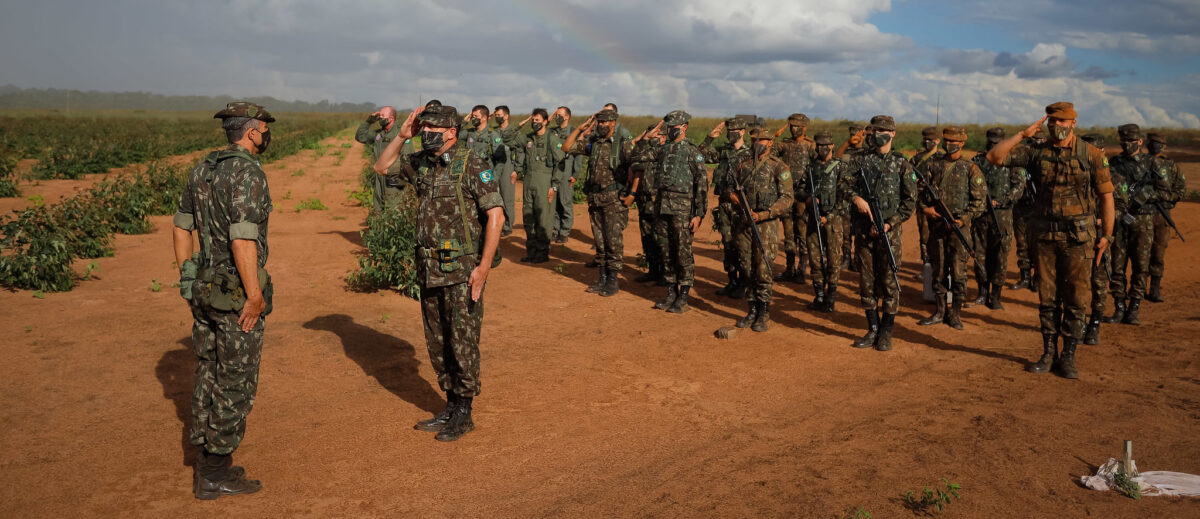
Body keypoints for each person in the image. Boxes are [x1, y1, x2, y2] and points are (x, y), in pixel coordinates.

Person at [374, 104, 504, 441]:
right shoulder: (421, 164)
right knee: (438, 341)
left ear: (451, 132)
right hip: (430, 268)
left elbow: (496, 216)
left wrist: (484, 267)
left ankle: (464, 411)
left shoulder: (472, 164)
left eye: (433, 128)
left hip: (461, 271)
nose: (427, 133)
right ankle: (450, 404)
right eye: (424, 127)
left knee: (462, 343)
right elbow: (381, 166)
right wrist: (403, 136)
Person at [173, 101, 276, 499]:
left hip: (202, 289)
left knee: (208, 370)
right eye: (264, 129)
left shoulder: (203, 168)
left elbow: (182, 225)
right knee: (235, 380)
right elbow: (242, 238)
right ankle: (215, 472)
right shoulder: (248, 172)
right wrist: (253, 295)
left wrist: (187, 277)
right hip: (233, 294)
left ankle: (206, 459)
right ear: (251, 132)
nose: (267, 135)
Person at [987, 101, 1115, 379]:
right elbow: (995, 157)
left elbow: (1106, 196)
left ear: (1073, 123)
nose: (1057, 126)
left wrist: (1106, 235)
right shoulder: (1036, 153)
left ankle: (1068, 355)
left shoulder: (1091, 154)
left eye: (1062, 122)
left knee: (1076, 298)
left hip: (1079, 238)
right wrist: (1022, 134)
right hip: (1044, 236)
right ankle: (1048, 353)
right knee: (1047, 297)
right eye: (1052, 122)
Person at [847, 115, 918, 351]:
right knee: (866, 283)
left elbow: (910, 202)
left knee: (889, 281)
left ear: (893, 133)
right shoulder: (859, 160)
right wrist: (856, 198)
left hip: (889, 233)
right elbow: (843, 184)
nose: (878, 134)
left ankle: (886, 331)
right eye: (875, 130)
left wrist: (890, 223)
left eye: (883, 130)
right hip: (864, 231)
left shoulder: (902, 164)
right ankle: (872, 328)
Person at [916, 126, 986, 330]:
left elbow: (979, 201)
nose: (950, 144)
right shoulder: (933, 165)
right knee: (938, 271)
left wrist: (964, 219)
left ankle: (955, 313)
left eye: (954, 141)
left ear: (962, 143)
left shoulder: (970, 168)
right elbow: (919, 192)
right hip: (937, 225)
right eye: (947, 140)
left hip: (958, 228)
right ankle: (939, 311)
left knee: (958, 272)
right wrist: (925, 208)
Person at [728, 127, 793, 331]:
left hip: (765, 225)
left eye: (762, 140)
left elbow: (787, 198)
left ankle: (763, 313)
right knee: (746, 268)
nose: (757, 143)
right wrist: (735, 199)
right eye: (754, 139)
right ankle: (752, 309)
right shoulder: (743, 165)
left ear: (770, 142)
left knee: (763, 269)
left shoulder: (778, 167)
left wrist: (764, 214)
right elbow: (729, 190)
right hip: (744, 223)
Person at [1105, 124, 1170, 325]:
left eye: (1130, 142)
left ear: (1140, 142)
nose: (1126, 145)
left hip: (1143, 221)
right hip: (1119, 220)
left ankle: (1134, 309)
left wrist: (1144, 196)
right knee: (1117, 266)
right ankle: (1119, 307)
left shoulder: (1153, 164)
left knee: (1141, 267)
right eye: (1123, 142)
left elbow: (1167, 192)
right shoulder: (1114, 162)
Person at [563, 109, 633, 296]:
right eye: (598, 122)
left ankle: (612, 281)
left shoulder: (621, 144)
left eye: (604, 122)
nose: (601, 125)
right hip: (595, 199)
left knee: (613, 241)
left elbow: (636, 169)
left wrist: (631, 194)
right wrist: (579, 129)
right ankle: (602, 278)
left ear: (613, 123)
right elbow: (566, 147)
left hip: (613, 199)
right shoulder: (593, 144)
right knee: (600, 241)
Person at [652, 110, 708, 313]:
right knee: (666, 251)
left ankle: (683, 293)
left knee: (682, 252)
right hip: (662, 207)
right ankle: (670, 291)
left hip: (683, 209)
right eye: (668, 127)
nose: (670, 130)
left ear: (684, 127)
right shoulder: (664, 149)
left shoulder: (692, 152)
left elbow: (702, 183)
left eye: (674, 127)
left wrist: (699, 214)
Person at [970, 127, 1026, 310]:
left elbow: (1018, 188)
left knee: (1000, 256)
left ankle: (996, 296)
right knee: (979, 254)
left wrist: (999, 202)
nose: (993, 145)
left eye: (997, 142)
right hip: (980, 216)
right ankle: (982, 292)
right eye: (991, 141)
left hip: (1002, 216)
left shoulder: (1012, 163)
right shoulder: (977, 161)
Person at [699, 116, 752, 298]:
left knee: (742, 245)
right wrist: (710, 137)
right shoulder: (724, 152)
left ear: (743, 132)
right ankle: (732, 280)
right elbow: (700, 154)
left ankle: (745, 282)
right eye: (729, 131)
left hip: (741, 207)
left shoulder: (750, 154)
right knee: (728, 243)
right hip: (724, 205)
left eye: (735, 131)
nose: (731, 134)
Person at [801, 131, 852, 313]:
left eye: (825, 146)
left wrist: (828, 217)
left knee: (833, 259)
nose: (821, 149)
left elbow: (845, 197)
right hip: (813, 219)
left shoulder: (840, 167)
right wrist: (808, 199)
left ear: (832, 146)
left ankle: (830, 296)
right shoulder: (811, 168)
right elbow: (800, 190)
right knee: (815, 258)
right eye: (818, 146)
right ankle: (819, 295)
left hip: (833, 221)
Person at [515, 108, 563, 263]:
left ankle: (542, 253)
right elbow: (507, 137)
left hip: (545, 181)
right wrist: (520, 124)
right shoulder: (528, 138)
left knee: (543, 218)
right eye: (533, 120)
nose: (534, 123)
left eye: (537, 120)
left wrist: (554, 186)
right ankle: (531, 252)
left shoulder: (552, 138)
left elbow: (560, 162)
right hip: (528, 181)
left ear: (545, 121)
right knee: (528, 217)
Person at [773, 113, 815, 283]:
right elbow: (768, 150)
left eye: (797, 126)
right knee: (789, 235)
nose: (793, 129)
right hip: (787, 195)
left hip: (804, 197)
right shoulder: (784, 145)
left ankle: (802, 270)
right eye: (791, 125)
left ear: (805, 127)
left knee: (803, 233)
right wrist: (776, 135)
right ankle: (789, 269)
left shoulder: (811, 146)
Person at [1146, 132, 1187, 303]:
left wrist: (1166, 198)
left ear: (1164, 146)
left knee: (1158, 252)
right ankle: (1136, 288)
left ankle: (1154, 289)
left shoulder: (1171, 166)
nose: (1155, 145)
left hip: (1162, 215)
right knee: (1138, 254)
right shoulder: (1141, 162)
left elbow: (1181, 190)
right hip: (1142, 214)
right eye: (1152, 142)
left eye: (1158, 143)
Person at [630, 125, 668, 285]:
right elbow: (633, 159)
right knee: (647, 238)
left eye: (657, 136)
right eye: (651, 136)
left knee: (662, 240)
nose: (654, 139)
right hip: (645, 202)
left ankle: (666, 275)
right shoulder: (646, 153)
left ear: (664, 137)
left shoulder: (667, 153)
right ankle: (653, 271)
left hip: (661, 205)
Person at [1011, 126, 1048, 291]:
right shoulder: (1021, 158)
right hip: (1021, 207)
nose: (1033, 144)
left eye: (1037, 141)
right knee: (1022, 243)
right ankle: (1024, 276)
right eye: (1031, 141)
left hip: (1041, 210)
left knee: (1040, 245)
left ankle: (1039, 278)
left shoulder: (1047, 160)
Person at [355, 106, 411, 211]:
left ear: (391, 118)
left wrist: (390, 171)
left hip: (394, 178)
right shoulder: (379, 134)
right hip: (379, 178)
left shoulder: (401, 134)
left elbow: (407, 158)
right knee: (378, 209)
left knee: (393, 210)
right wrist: (369, 121)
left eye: (382, 116)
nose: (379, 118)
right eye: (379, 116)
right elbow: (360, 136)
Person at [911, 126, 942, 269]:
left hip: (939, 204)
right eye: (925, 139)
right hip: (922, 203)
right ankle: (927, 266)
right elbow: (908, 177)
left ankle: (940, 267)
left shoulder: (943, 158)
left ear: (937, 141)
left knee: (940, 238)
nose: (927, 142)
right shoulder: (917, 159)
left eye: (930, 139)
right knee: (924, 236)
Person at [551, 106, 583, 243]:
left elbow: (578, 155)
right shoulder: (552, 132)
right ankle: (555, 229)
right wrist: (549, 118)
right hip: (553, 170)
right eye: (555, 115)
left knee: (565, 201)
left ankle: (564, 231)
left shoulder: (572, 131)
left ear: (567, 117)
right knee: (554, 202)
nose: (556, 117)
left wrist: (575, 174)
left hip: (566, 170)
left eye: (559, 115)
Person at [491, 106, 522, 236]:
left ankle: (508, 226)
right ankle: (498, 223)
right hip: (495, 165)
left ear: (506, 116)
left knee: (507, 197)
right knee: (496, 196)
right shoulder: (494, 132)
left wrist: (517, 170)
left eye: (499, 115)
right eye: (495, 115)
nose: (497, 117)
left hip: (508, 164)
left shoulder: (515, 132)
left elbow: (520, 151)